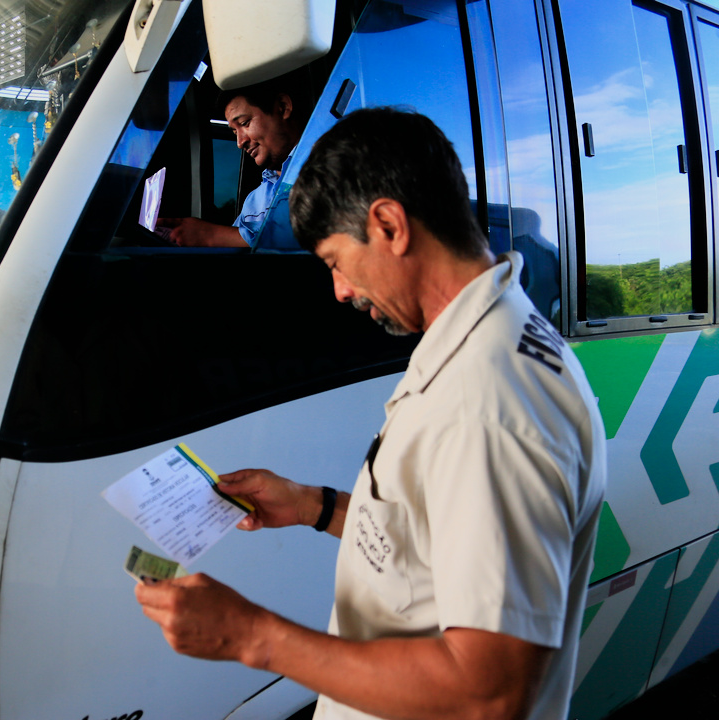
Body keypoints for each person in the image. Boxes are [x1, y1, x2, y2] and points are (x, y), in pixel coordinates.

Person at [135, 108, 607, 720]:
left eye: (336, 261)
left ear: (389, 225)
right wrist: (312, 505)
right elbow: (431, 534)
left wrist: (253, 636)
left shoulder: (489, 401)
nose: (340, 291)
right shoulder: (483, 340)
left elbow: (488, 694)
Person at [157, 76, 307, 248]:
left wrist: (211, 235)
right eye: (235, 132)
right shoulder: (254, 200)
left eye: (245, 123)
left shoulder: (325, 167)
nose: (240, 142)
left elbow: (310, 235)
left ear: (283, 107)